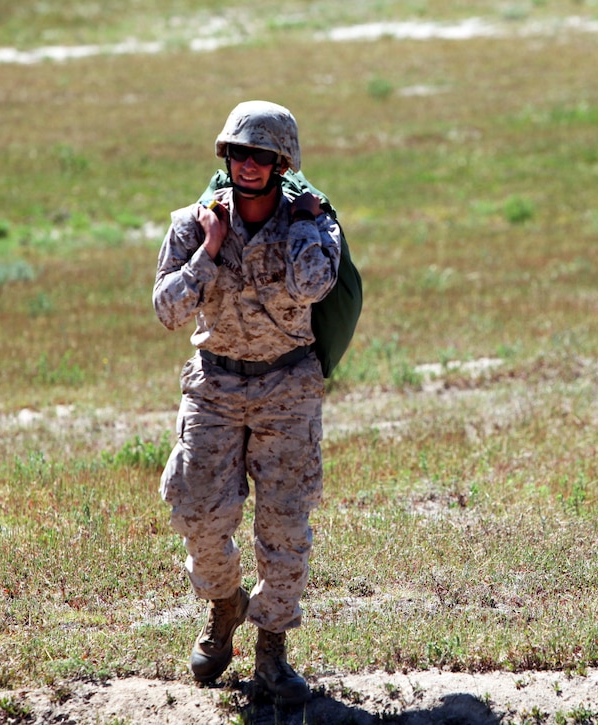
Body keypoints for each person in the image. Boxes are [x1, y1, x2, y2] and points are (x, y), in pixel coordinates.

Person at [153, 100, 341, 706]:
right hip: (214, 388)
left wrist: (309, 223)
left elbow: (314, 285)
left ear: (283, 162)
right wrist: (208, 251)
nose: (249, 164)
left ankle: (272, 653)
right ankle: (224, 607)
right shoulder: (192, 224)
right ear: (225, 156)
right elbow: (167, 312)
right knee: (198, 515)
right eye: (238, 152)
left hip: (287, 389)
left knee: (284, 527)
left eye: (262, 155)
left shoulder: (313, 225)